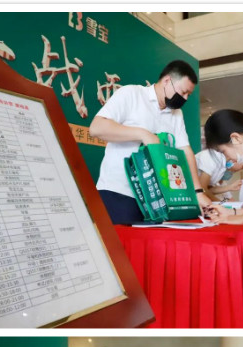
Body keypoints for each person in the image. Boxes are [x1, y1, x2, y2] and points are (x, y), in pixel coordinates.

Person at [89, 60, 212, 224]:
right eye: (183, 92)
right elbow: (96, 128)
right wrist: (142, 134)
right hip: (119, 192)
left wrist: (197, 192)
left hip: (157, 199)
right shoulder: (131, 94)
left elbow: (186, 151)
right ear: (167, 80)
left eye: (188, 95)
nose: (185, 98)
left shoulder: (176, 114)